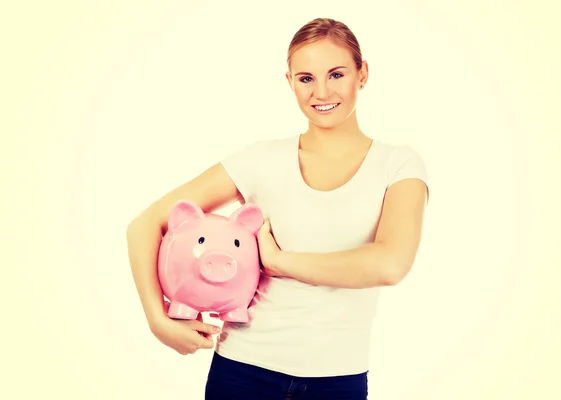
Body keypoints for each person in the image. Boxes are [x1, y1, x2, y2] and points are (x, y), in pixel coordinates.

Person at [126, 17, 429, 400]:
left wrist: (280, 262)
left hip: (338, 380)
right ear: (289, 82)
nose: (321, 92)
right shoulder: (260, 160)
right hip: (242, 372)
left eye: (336, 74)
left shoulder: (398, 164)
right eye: (306, 79)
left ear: (362, 73)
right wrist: (158, 320)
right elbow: (144, 225)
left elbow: (389, 264)